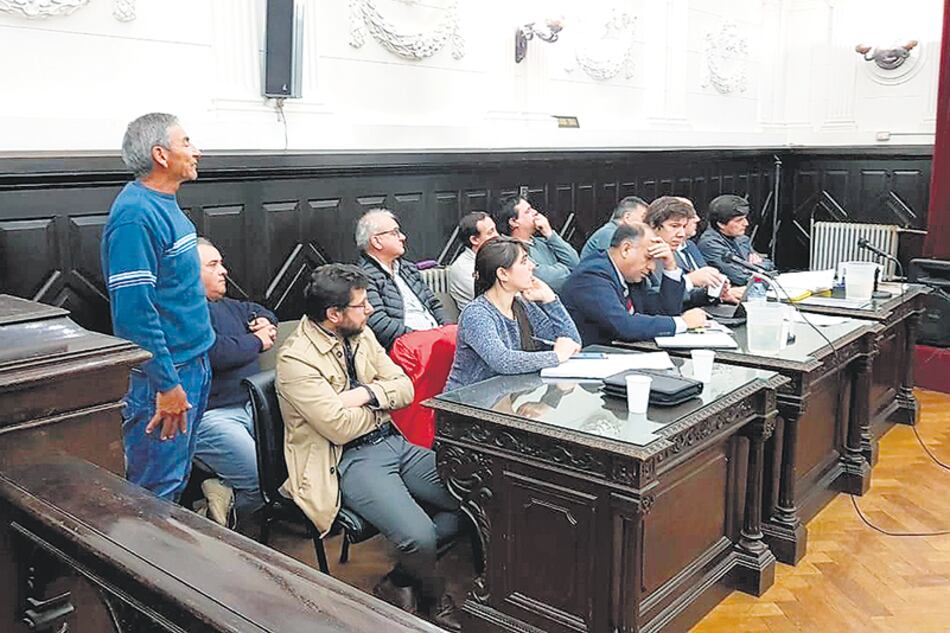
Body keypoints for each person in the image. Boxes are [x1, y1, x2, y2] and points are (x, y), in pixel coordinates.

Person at [276, 264, 461, 630]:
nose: (371, 310)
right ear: (334, 314)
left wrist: (365, 394)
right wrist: (383, 403)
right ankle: (433, 594)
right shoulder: (296, 359)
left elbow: (405, 387)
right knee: (419, 535)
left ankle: (399, 581)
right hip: (346, 460)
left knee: (472, 501)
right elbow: (339, 428)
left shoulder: (359, 334)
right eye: (361, 305)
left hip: (393, 442)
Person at [100, 112, 213, 502]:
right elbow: (134, 314)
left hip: (192, 363)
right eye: (186, 143)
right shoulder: (135, 215)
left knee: (176, 477)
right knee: (154, 491)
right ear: (160, 155)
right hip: (165, 377)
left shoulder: (164, 204)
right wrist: (166, 384)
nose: (196, 151)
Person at [194, 237, 274, 530]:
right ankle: (231, 535)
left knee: (298, 457)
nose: (224, 270)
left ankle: (222, 489)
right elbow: (215, 352)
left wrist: (264, 323)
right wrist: (255, 341)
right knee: (260, 477)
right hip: (212, 415)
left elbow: (262, 311)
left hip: (254, 407)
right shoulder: (187, 313)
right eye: (213, 265)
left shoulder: (229, 306)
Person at [445, 237, 581, 391]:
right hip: (464, 404)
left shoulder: (522, 305)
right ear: (503, 274)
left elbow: (572, 343)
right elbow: (503, 361)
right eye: (524, 261)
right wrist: (556, 356)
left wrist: (550, 300)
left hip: (502, 400)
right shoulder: (476, 314)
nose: (533, 266)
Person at [560, 223, 707, 346]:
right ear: (626, 249)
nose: (652, 268)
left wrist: (670, 266)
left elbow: (664, 311)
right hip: (589, 360)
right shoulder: (592, 275)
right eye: (648, 258)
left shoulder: (630, 275)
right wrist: (682, 323)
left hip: (620, 352)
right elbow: (623, 325)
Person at [356, 208, 447, 350]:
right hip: (407, 349)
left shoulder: (408, 268)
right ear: (376, 241)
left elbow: (434, 304)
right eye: (395, 233)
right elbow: (378, 322)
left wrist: (449, 329)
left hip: (437, 340)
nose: (403, 237)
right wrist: (423, 337)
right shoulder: (364, 277)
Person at [644, 196, 736, 307]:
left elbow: (684, 298)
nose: (681, 234)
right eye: (674, 226)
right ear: (653, 224)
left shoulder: (671, 252)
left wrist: (711, 293)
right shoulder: (639, 255)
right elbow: (647, 301)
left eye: (683, 227)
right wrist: (689, 280)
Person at [493, 195, 579, 292]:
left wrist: (550, 234)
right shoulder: (511, 250)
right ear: (514, 222)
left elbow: (576, 263)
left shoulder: (543, 241)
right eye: (528, 211)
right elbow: (552, 281)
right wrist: (566, 268)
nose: (535, 212)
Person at [697, 194, 775, 286]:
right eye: (739, 220)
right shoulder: (709, 244)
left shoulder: (742, 239)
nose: (746, 223)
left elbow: (769, 264)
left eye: (745, 218)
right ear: (721, 224)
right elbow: (740, 277)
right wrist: (757, 267)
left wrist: (759, 266)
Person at [447, 211, 498, 311]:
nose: (497, 236)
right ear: (474, 240)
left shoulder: (493, 257)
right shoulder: (463, 268)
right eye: (490, 232)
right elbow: (493, 299)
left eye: (495, 230)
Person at [580, 196, 649, 260]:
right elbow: (615, 263)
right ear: (627, 217)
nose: (646, 222)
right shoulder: (609, 234)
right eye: (643, 217)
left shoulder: (615, 232)